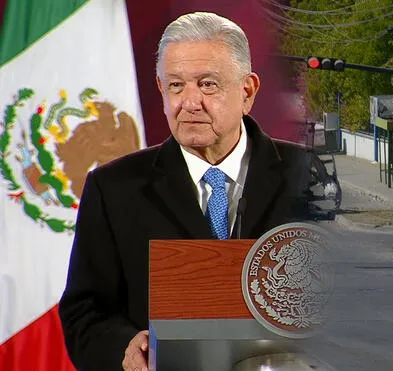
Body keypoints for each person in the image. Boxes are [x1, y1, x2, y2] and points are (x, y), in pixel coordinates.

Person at [59, 12, 315, 371]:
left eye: (208, 84)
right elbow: (84, 312)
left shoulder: (309, 176)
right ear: (162, 91)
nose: (189, 103)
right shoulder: (113, 190)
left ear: (247, 91)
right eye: (176, 86)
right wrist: (124, 348)